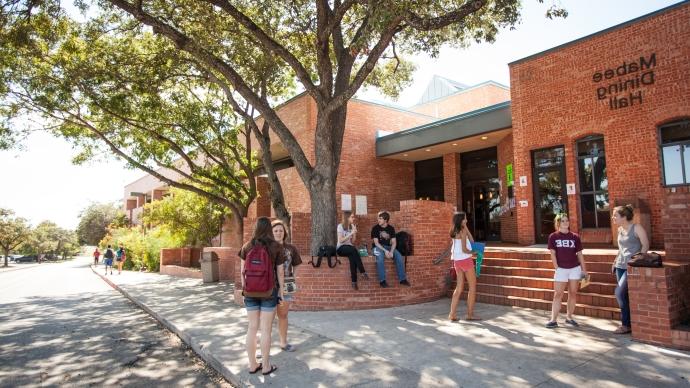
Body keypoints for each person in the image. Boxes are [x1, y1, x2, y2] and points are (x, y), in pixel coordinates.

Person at [238, 217, 285, 375]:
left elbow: (242, 271)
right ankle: (265, 366)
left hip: (250, 291)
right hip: (268, 292)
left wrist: (245, 289)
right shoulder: (276, 247)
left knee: (252, 328)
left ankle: (252, 365)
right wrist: (281, 291)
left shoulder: (247, 246)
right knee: (266, 330)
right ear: (269, 230)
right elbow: (280, 271)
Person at [545, 213, 588, 328]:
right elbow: (553, 254)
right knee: (558, 294)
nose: (566, 222)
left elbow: (580, 254)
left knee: (573, 293)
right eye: (563, 221)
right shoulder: (553, 236)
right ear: (558, 223)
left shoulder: (575, 237)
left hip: (574, 268)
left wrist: (584, 270)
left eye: (567, 220)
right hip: (561, 269)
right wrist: (556, 267)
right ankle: (553, 320)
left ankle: (569, 317)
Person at [611, 204, 649, 334]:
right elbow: (621, 249)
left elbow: (645, 245)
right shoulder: (620, 230)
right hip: (620, 266)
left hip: (631, 266)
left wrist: (638, 261)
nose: (613, 218)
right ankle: (629, 323)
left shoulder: (636, 228)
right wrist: (615, 260)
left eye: (615, 215)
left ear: (624, 217)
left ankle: (626, 325)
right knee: (624, 295)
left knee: (619, 293)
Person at [271, 219, 302, 353]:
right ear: (271, 233)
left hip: (288, 283)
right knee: (267, 316)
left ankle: (283, 343)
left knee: (283, 315)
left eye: (281, 230)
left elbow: (297, 264)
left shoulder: (291, 248)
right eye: (276, 231)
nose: (278, 233)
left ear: (284, 232)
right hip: (270, 284)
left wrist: (293, 277)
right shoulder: (268, 247)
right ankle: (262, 346)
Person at [447, 212, 481, 321]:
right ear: (461, 220)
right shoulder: (462, 231)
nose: (466, 220)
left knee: (459, 287)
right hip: (465, 259)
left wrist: (466, 227)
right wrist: (473, 252)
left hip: (457, 261)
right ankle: (470, 315)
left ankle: (452, 314)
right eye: (465, 219)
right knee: (472, 287)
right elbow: (465, 248)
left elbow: (470, 240)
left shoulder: (454, 231)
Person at [371, 211, 410, 288]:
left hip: (389, 247)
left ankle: (402, 279)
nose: (378, 220)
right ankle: (382, 281)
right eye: (378, 218)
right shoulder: (375, 228)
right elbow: (376, 243)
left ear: (385, 220)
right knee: (380, 258)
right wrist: (385, 251)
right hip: (377, 247)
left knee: (398, 256)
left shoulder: (391, 228)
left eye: (380, 218)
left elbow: (394, 242)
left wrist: (391, 252)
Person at [337, 211, 369, 290]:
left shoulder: (351, 226)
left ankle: (354, 281)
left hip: (350, 249)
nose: (353, 218)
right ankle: (362, 271)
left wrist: (354, 232)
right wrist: (351, 233)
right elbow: (340, 240)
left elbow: (353, 241)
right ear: (347, 217)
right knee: (354, 250)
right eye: (352, 217)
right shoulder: (340, 226)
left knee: (352, 259)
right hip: (341, 248)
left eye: (353, 217)